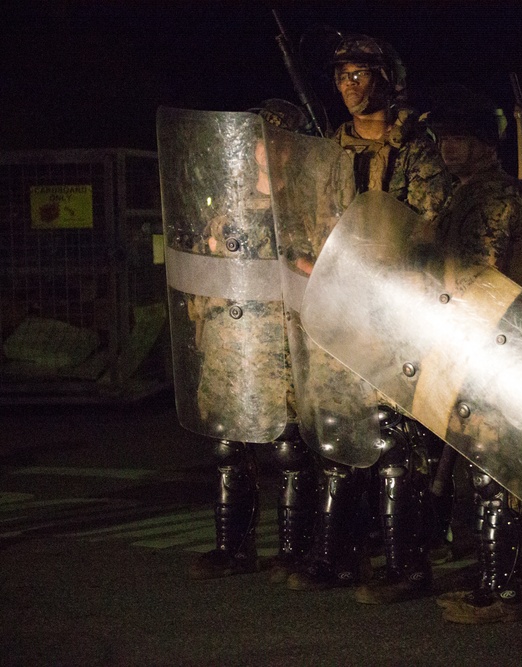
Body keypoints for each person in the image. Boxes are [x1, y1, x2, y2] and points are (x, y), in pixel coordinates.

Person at [281, 33, 452, 606]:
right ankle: (335, 556)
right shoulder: (328, 152)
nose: (349, 87)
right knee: (338, 437)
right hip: (339, 310)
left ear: (386, 78)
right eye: (341, 77)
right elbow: (311, 222)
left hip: (395, 311)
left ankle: (407, 564)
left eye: (360, 75)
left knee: (396, 446)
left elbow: (430, 231)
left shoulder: (417, 152)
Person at [419, 87, 522, 624]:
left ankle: (504, 592)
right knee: (482, 469)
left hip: (497, 346)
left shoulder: (494, 198)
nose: (449, 148)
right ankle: (496, 581)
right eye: (445, 139)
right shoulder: (465, 193)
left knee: (496, 472)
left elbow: (480, 278)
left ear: (484, 144)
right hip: (474, 340)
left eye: (460, 139)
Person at [175, 99, 320, 583]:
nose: (265, 150)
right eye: (259, 140)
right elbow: (203, 277)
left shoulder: (306, 211)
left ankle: (292, 550)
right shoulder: (225, 211)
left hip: (279, 350)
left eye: (275, 140)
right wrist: (201, 331)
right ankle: (231, 547)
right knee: (228, 447)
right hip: (228, 350)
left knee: (288, 448)